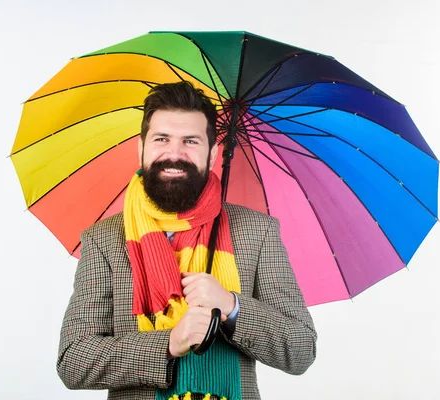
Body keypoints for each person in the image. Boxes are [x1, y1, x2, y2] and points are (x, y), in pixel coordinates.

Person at [57, 81, 317, 399]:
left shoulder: (257, 231)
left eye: (190, 141)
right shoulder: (104, 240)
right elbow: (73, 360)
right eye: (162, 139)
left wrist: (230, 306)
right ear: (141, 148)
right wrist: (168, 343)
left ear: (213, 153)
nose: (175, 154)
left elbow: (301, 349)